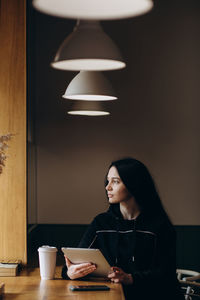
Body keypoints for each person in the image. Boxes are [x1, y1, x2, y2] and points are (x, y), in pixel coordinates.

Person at [62, 158, 184, 300]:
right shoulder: (101, 223)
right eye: (108, 181)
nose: (107, 187)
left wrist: (129, 278)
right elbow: (74, 262)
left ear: (134, 184)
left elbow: (166, 274)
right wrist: (70, 273)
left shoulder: (159, 225)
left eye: (115, 181)